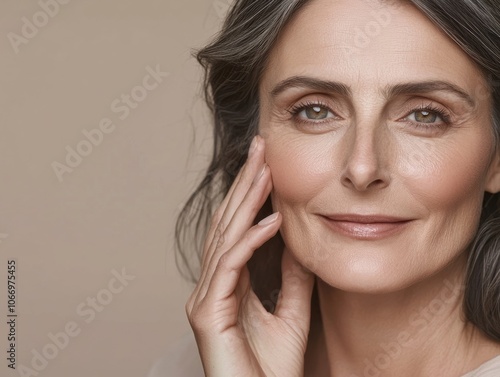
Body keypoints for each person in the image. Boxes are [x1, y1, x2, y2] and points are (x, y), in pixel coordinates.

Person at [174, 0, 500, 375]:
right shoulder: (202, 360)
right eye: (315, 111)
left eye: (425, 115)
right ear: (250, 142)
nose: (362, 169)